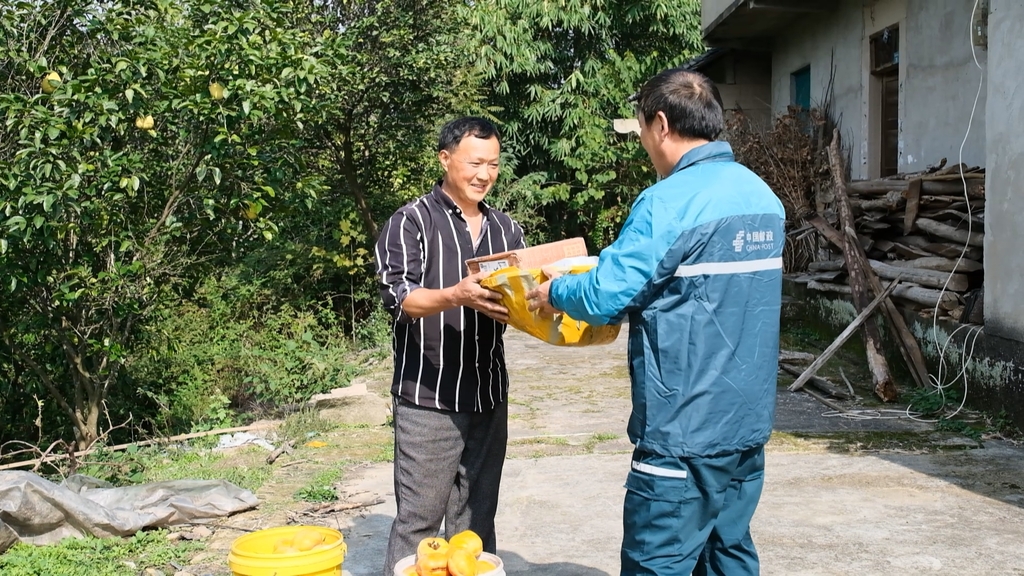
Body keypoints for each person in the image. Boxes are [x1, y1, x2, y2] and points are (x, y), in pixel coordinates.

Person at [527, 68, 785, 576]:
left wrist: (555, 290)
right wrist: (599, 267)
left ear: (661, 125)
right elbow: (683, 280)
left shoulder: (667, 201)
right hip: (745, 428)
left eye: (642, 129)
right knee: (728, 556)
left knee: (656, 562)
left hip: (683, 433)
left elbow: (604, 298)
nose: (644, 142)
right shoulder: (762, 198)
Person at [374, 116, 525, 575]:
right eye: (474, 162)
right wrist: (454, 295)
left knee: (476, 525)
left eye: (493, 165)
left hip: (487, 393)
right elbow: (400, 298)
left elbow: (521, 304)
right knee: (419, 523)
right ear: (445, 159)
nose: (484, 174)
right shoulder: (411, 221)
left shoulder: (508, 231)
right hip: (429, 395)